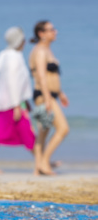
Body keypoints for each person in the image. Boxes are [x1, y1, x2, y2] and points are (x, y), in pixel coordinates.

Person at [0, 27, 35, 174]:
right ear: (19, 41)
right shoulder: (14, 57)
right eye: (23, 40)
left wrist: (25, 102)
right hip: (11, 103)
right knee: (25, 131)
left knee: (19, 132)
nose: (25, 42)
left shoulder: (4, 55)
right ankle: (41, 162)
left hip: (3, 101)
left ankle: (42, 161)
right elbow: (13, 82)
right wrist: (17, 105)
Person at [28, 21, 70, 175]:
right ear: (41, 33)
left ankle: (38, 167)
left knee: (44, 131)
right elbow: (41, 76)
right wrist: (47, 99)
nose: (55, 31)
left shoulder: (47, 50)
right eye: (51, 29)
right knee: (63, 129)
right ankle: (45, 162)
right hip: (43, 95)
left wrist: (60, 93)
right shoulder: (39, 51)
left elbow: (52, 76)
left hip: (51, 95)